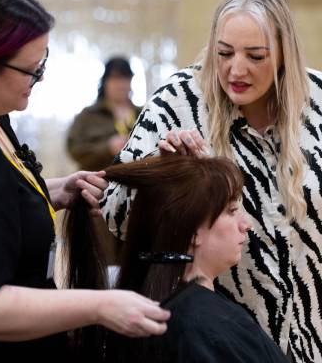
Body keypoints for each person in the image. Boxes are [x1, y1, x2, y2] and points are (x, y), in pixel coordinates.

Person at [0, 0, 170, 362]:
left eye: (43, 64)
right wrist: (98, 307)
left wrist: (53, 191)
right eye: (32, 71)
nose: (39, 80)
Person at [100, 0, 322, 363]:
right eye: (224, 53)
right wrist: (163, 165)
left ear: (285, 53)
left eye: (256, 56)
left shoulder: (317, 101)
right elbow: (115, 213)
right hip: (221, 339)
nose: (237, 69)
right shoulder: (179, 101)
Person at [64, 153, 288, 362]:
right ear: (191, 232)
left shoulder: (185, 316)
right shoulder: (197, 329)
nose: (246, 225)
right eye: (231, 211)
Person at [67, 56, 141, 171]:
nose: (121, 84)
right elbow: (74, 150)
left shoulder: (142, 113)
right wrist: (107, 148)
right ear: (105, 82)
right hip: (96, 183)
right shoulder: (88, 115)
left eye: (125, 78)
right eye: (115, 78)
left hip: (137, 183)